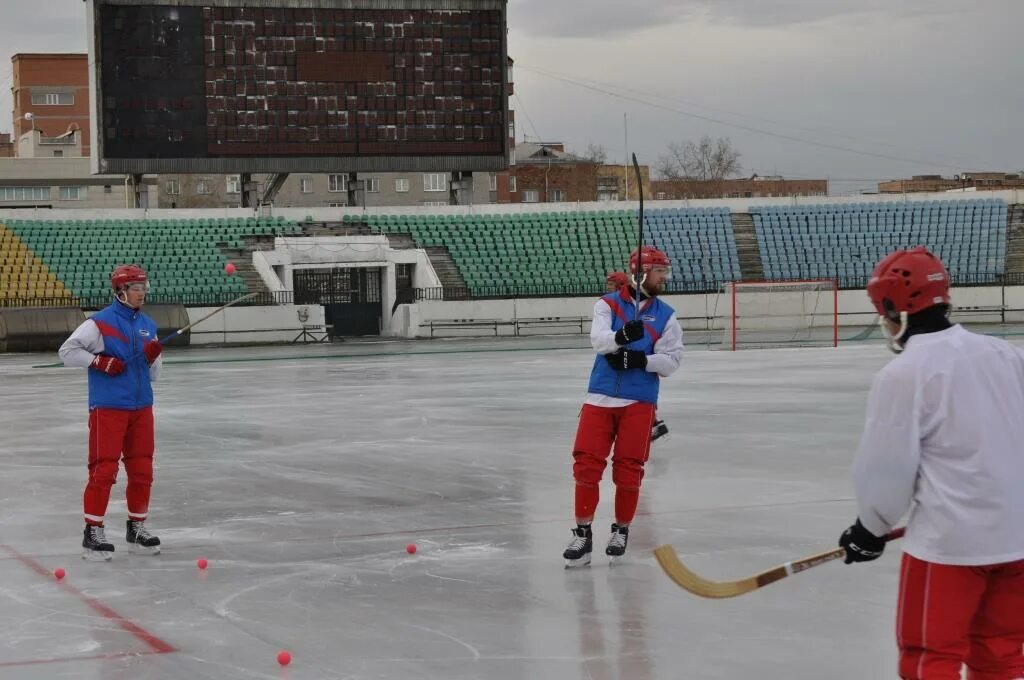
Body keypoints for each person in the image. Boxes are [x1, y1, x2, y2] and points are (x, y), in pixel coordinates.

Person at [838, 246, 1024, 679]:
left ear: (893, 309)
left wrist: (871, 528)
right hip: (1017, 540)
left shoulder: (905, 374)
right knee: (1000, 655)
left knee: (929, 658)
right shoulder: (1008, 355)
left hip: (949, 546)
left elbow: (887, 468)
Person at [564, 246, 683, 567]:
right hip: (599, 397)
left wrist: (641, 359)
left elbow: (672, 361)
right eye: (660, 272)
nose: (665, 278)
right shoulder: (607, 305)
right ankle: (583, 533)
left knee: (629, 469)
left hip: (638, 401)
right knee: (586, 464)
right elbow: (599, 341)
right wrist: (621, 337)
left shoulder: (666, 316)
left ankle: (621, 529)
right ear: (641, 273)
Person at [59, 264, 164, 560]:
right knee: (104, 468)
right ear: (120, 292)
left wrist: (152, 357)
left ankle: (137, 527)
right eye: (136, 288)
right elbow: (67, 351)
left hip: (142, 406)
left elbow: (155, 375)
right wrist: (98, 362)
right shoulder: (99, 323)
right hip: (108, 407)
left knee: (142, 469)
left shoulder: (148, 325)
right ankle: (93, 531)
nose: (142, 293)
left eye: (144, 287)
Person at [605, 270, 670, 444]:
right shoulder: (610, 302)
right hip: (617, 355)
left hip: (633, 362)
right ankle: (654, 422)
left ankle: (652, 422)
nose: (608, 287)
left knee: (638, 386)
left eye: (611, 284)